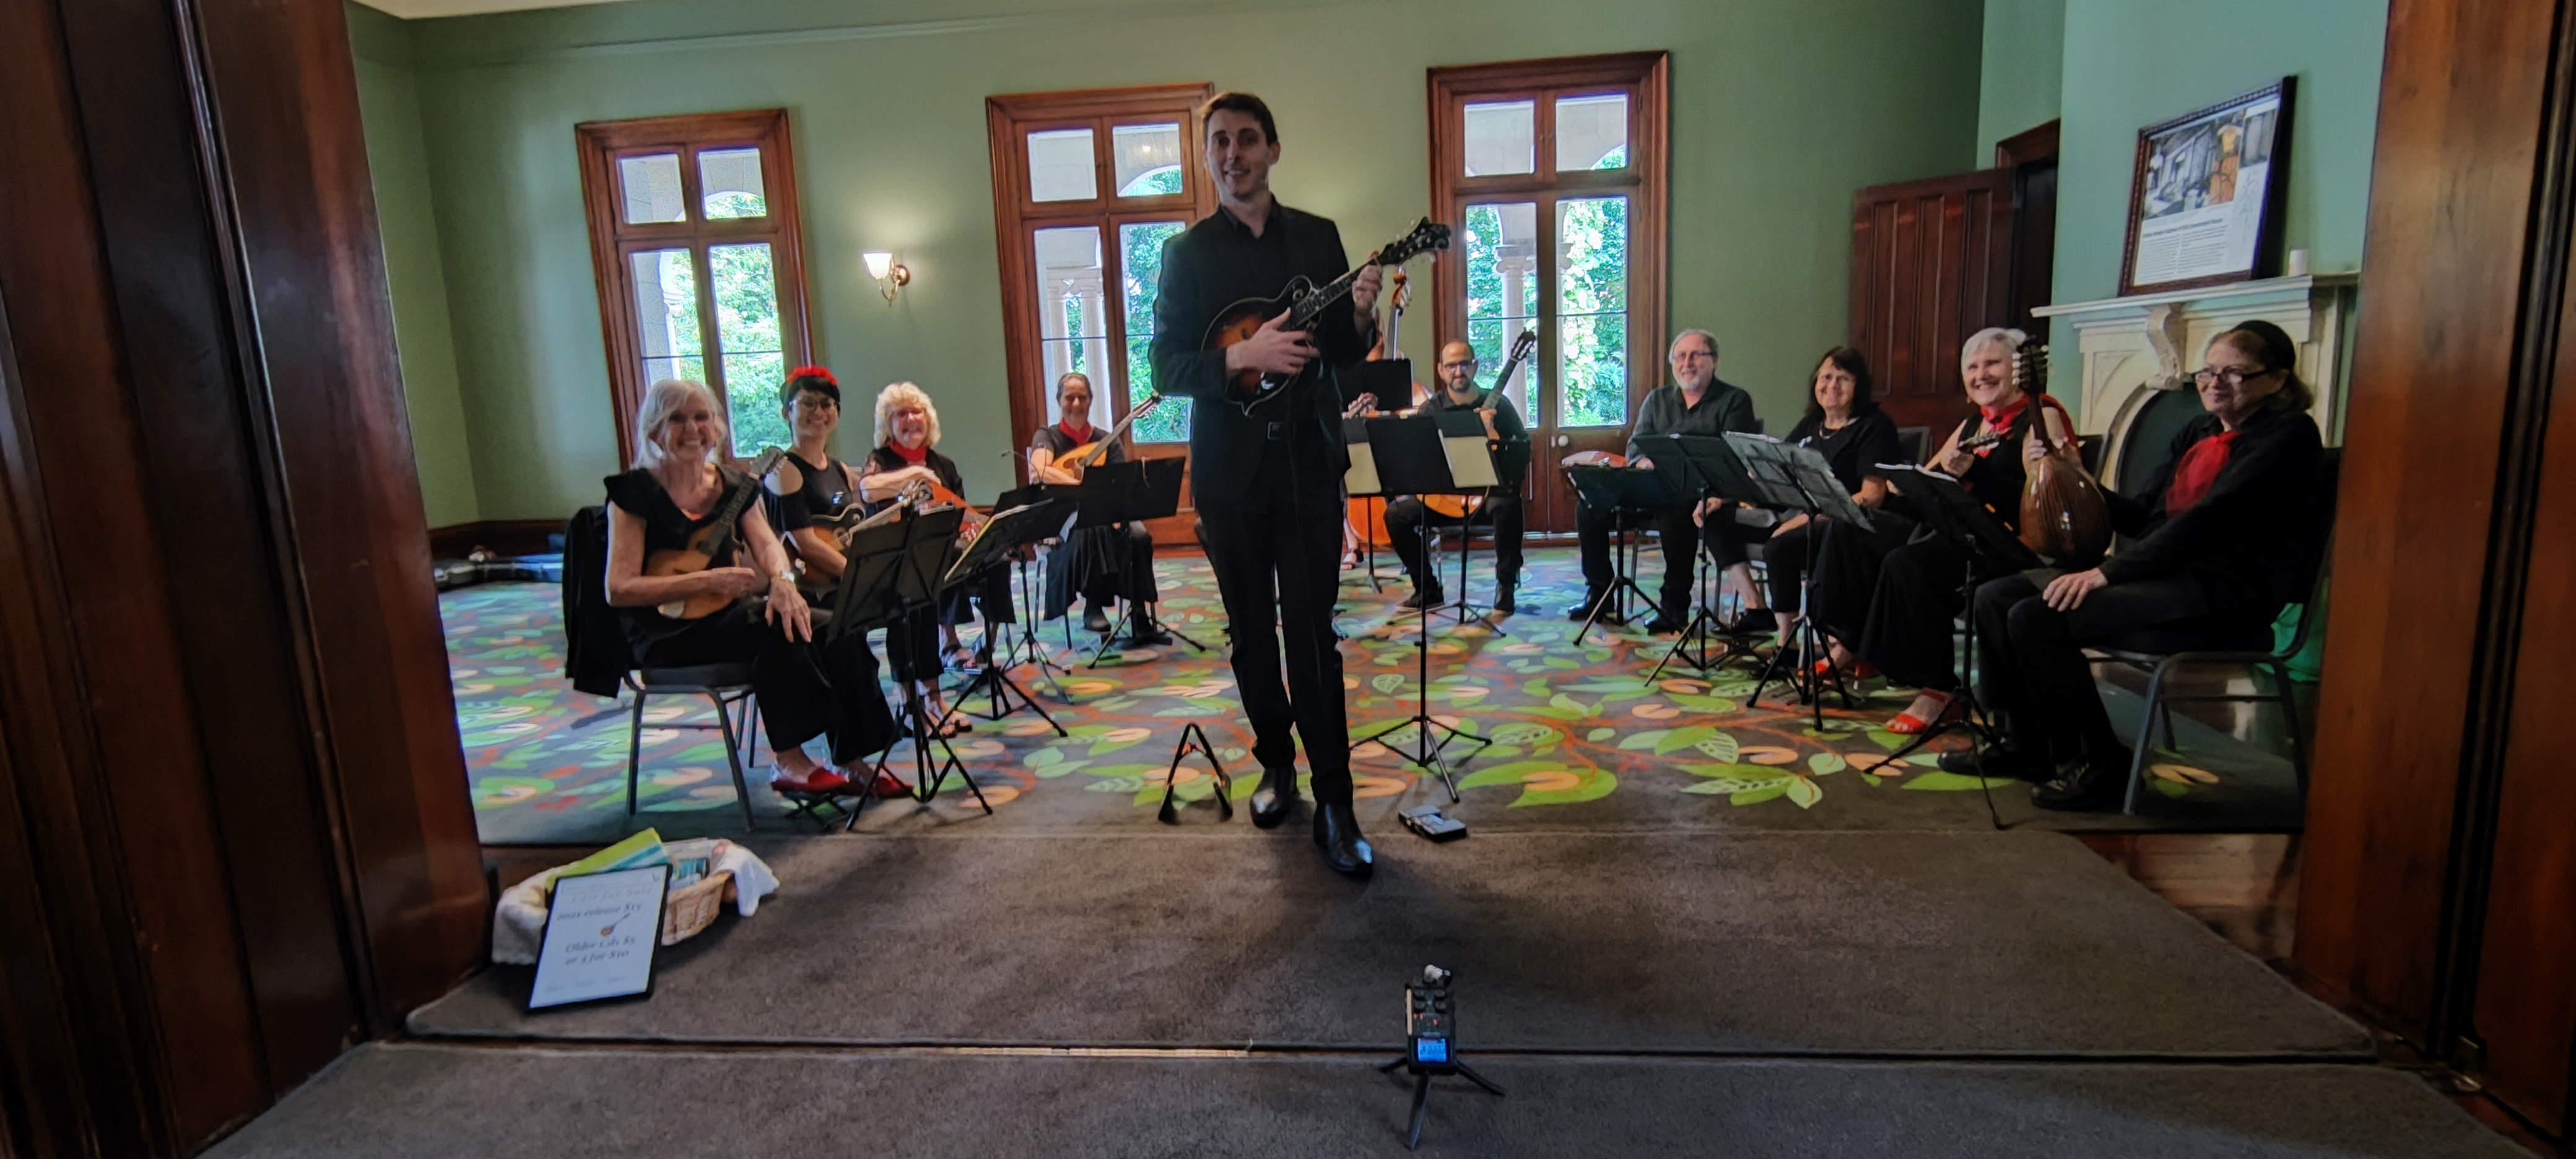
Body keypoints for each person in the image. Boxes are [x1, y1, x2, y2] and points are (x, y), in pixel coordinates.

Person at [1149, 91, 1381, 877]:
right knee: (1252, 631)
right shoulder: (1185, 256)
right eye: (1218, 142)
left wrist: (1361, 313)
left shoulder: (1316, 237)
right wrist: (1241, 360)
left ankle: (1339, 803)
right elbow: (1165, 368)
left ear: (1272, 150)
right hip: (1228, 477)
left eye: (1246, 140)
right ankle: (1276, 761)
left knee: (1313, 635)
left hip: (1308, 464)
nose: (1231, 154)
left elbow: (1343, 354)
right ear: (1207, 155)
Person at [1965, 320, 2325, 809]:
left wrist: (2107, 573)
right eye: (2207, 372)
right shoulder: (2197, 429)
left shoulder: (2290, 436)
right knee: (1996, 596)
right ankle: (2027, 745)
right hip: (2166, 575)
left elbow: (2208, 523)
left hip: (2226, 590)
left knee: (2038, 616)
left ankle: (2101, 764)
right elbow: (2143, 515)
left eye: (2234, 374)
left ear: (2278, 379)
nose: (2213, 384)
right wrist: (2075, 476)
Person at [601, 378, 892, 795]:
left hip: (727, 614)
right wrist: (710, 579)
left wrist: (782, 582)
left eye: (702, 417)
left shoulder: (733, 486)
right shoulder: (633, 494)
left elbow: (769, 545)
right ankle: (789, 761)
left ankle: (852, 758)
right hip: (666, 631)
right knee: (778, 630)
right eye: (677, 419)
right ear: (654, 431)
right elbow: (618, 588)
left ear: (717, 427)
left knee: (836, 625)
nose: (692, 429)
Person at [1849, 326, 2073, 734]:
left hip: (2017, 546)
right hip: (1972, 535)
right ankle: (1871, 651)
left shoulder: (2042, 415)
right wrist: (1902, 483)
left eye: (1992, 364)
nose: (1981, 374)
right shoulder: (1975, 422)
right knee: (1873, 541)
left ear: (2018, 371)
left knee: (1911, 565)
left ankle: (1937, 688)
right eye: (1973, 366)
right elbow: (1930, 474)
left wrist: (1977, 473)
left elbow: (2040, 501)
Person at [760, 366, 908, 797]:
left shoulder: (843, 472)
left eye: (827, 405)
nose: (818, 412)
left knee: (912, 602)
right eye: (807, 403)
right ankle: (853, 761)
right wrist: (862, 577)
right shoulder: (781, 468)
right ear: (788, 411)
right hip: (805, 592)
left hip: (842, 586)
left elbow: (854, 535)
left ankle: (919, 698)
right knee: (845, 641)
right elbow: (803, 543)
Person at [1570, 329, 1767, 634]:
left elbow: (1735, 458)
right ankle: (1600, 592)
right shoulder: (1658, 400)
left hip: (1699, 497)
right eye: (1680, 356)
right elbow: (1635, 446)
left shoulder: (1734, 400)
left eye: (1696, 356)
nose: (1687, 363)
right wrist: (1641, 461)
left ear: (1713, 361)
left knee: (1676, 515)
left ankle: (1673, 607)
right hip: (1649, 487)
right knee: (1590, 505)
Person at [855, 381, 1003, 736]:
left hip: (938, 558)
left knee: (993, 561)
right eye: (900, 414)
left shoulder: (943, 463)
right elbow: (868, 489)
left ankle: (936, 696)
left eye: (916, 412)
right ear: (888, 424)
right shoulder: (880, 461)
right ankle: (911, 702)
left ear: (928, 419)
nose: (910, 420)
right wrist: (916, 476)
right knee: (912, 605)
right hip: (897, 565)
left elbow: (961, 515)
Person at [1763, 347, 1907, 643]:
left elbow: (1872, 495)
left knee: (1780, 547)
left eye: (1843, 379)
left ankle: (1838, 640)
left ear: (1859, 387)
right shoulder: (1810, 426)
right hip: (1812, 519)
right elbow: (1777, 467)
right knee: (1770, 540)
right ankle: (1787, 640)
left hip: (1852, 526)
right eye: (1826, 377)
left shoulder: (1874, 427)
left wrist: (1807, 519)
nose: (1832, 385)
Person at [1382, 341, 1530, 614]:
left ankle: (1506, 585)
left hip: (1486, 501)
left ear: (1475, 367)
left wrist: (1496, 441)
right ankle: (1426, 588)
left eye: (1464, 364)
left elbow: (1522, 452)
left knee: (1508, 504)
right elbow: (1416, 457)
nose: (1458, 371)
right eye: (1451, 366)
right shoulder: (1431, 410)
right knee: (1397, 514)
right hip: (1444, 500)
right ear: (1441, 370)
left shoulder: (1500, 406)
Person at [1027, 371, 1168, 642]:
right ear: (1059, 400)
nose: (1076, 403)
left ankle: (1139, 610)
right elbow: (1040, 473)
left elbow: (1121, 484)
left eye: (1082, 397)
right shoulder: (1048, 436)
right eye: (1070, 397)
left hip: (1109, 514)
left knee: (1139, 536)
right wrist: (1080, 484)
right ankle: (1093, 606)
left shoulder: (1106, 439)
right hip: (1064, 520)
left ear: (1091, 400)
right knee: (1089, 524)